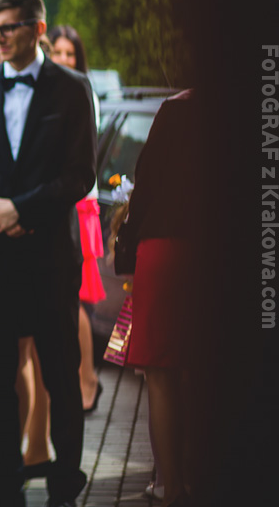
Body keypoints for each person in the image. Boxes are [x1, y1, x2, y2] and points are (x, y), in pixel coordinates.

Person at [0, 0, 96, 507]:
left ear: (37, 28)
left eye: (9, 27)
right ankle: (6, 488)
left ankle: (65, 487)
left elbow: (81, 174)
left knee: (61, 376)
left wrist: (24, 209)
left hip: (50, 256)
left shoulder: (72, 88)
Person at [119, 89, 201, 507]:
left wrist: (125, 249)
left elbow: (146, 183)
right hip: (226, 249)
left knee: (161, 374)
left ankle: (171, 486)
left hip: (164, 248)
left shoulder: (175, 109)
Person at [48, 24, 106, 412]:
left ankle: (88, 380)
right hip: (65, 204)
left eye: (70, 53)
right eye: (58, 52)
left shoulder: (81, 92)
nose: (64, 59)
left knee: (77, 300)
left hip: (79, 205)